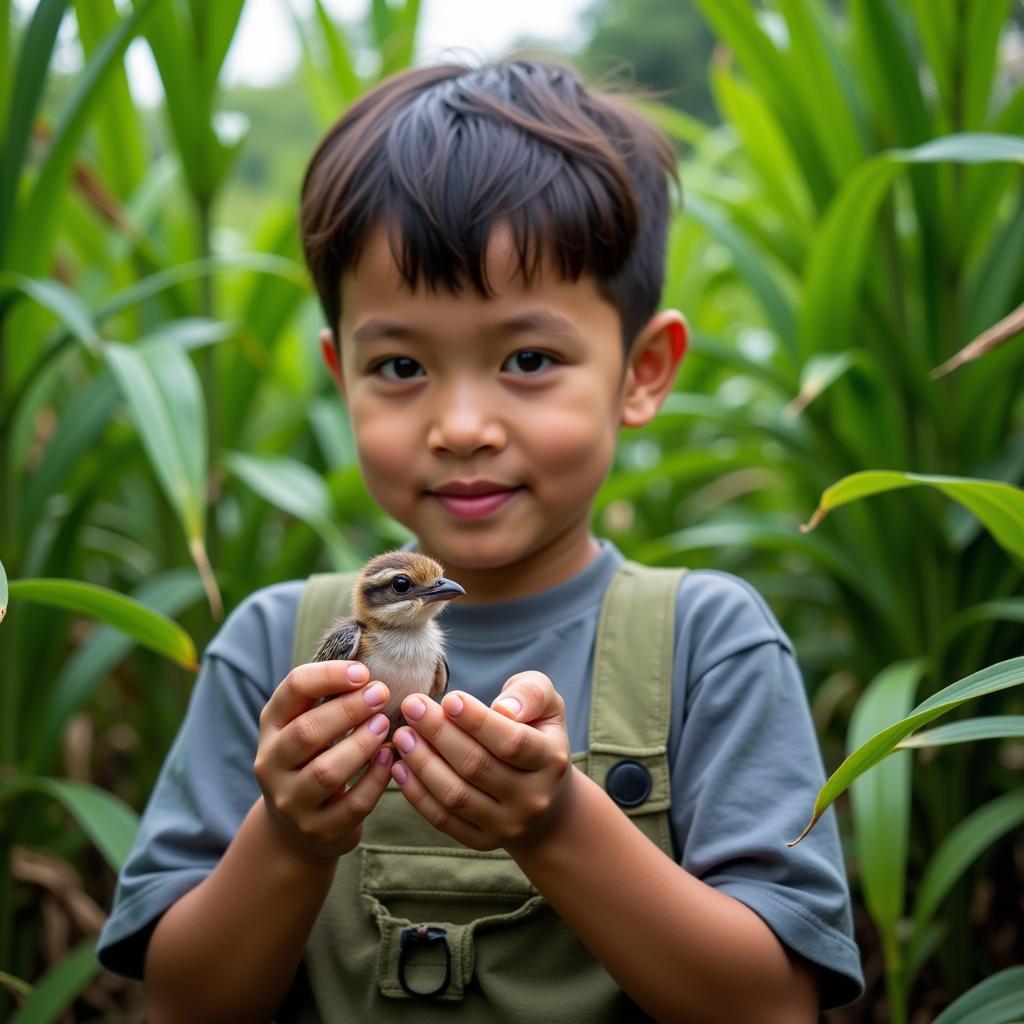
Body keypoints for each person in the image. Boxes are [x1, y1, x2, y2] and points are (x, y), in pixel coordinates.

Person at [97, 57, 864, 1022]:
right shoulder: (271, 649)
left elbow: (770, 1008)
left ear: (644, 371)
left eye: (528, 359)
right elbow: (180, 1003)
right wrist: (290, 841)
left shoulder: (710, 642)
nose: (462, 424)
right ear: (343, 377)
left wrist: (557, 824)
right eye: (404, 363)